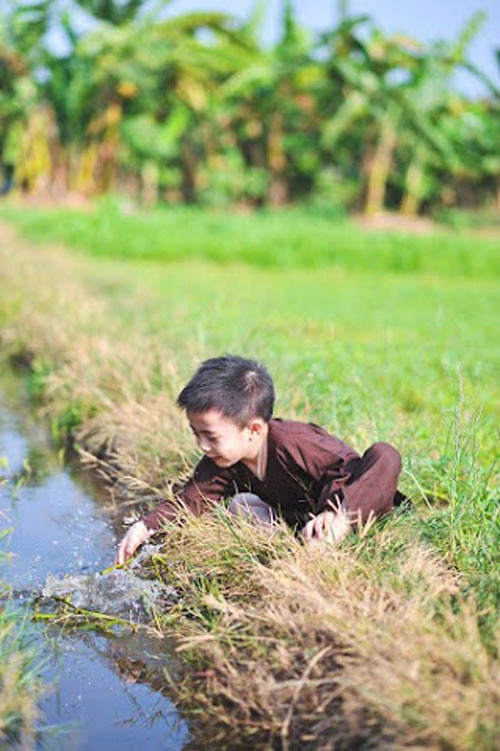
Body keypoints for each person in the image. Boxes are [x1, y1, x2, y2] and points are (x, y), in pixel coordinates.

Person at [115, 355, 404, 565]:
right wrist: (144, 527)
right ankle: (293, 549)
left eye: (211, 437)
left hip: (351, 510)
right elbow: (191, 500)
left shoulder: (296, 442)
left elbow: (347, 470)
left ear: (253, 429)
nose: (202, 446)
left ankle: (333, 536)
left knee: (384, 453)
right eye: (196, 434)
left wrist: (335, 515)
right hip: (299, 521)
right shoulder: (223, 460)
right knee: (240, 506)